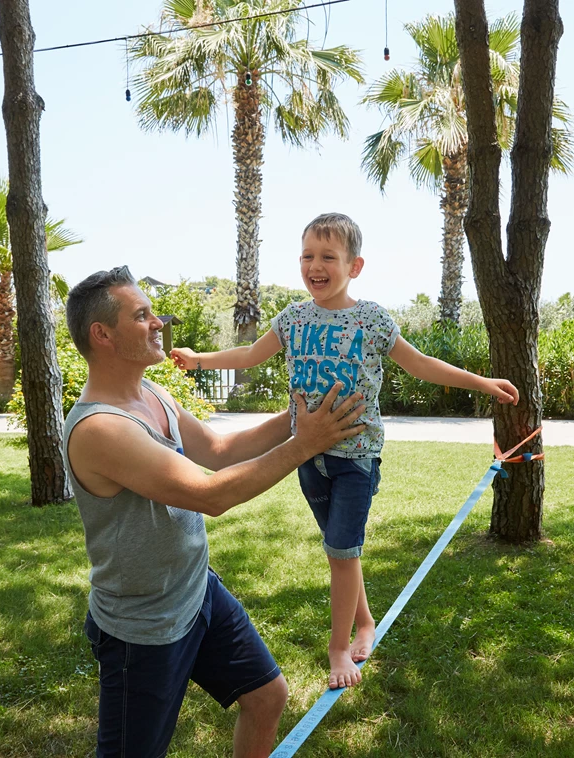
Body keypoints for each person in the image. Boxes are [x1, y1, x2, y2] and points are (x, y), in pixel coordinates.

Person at [171, 212, 520, 690]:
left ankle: (338, 650)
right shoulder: (292, 319)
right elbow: (250, 354)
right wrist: (199, 359)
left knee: (340, 552)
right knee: (345, 553)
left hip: (355, 459)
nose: (315, 265)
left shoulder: (372, 319)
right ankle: (365, 622)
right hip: (307, 457)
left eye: (328, 257)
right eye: (307, 256)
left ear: (354, 266)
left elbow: (421, 364)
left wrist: (481, 382)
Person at [62, 265, 367, 758]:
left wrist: (300, 417)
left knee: (268, 698)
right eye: (142, 315)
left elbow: (220, 450)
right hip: (144, 625)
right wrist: (304, 444)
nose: (159, 322)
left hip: (197, 589)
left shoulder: (153, 394)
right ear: (103, 335)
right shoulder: (101, 429)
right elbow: (211, 494)